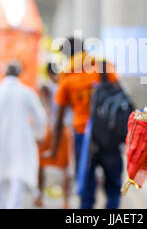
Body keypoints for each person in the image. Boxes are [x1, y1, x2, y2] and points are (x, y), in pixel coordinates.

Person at [51, 37, 123, 209]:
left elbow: (59, 118)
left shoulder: (67, 77)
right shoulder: (103, 68)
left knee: (86, 189)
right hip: (108, 134)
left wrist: (54, 148)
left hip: (83, 136)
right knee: (113, 186)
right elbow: (121, 98)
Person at [0, 61, 47, 209]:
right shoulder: (27, 92)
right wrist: (38, 135)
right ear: (19, 73)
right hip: (21, 140)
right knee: (18, 176)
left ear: (4, 73)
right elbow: (41, 117)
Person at [34, 62, 72, 209]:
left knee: (64, 167)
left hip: (59, 129)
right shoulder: (48, 86)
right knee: (42, 163)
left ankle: (64, 201)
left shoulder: (64, 86)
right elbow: (45, 103)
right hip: (53, 129)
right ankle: (40, 196)